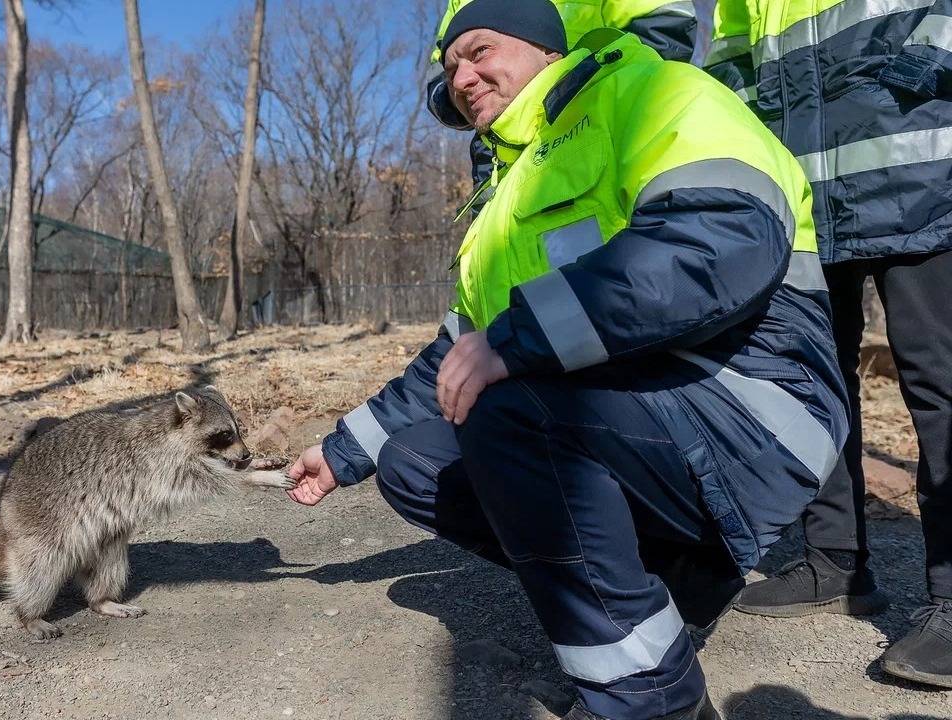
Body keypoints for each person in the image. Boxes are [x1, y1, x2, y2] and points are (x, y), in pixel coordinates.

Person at [284, 0, 849, 717]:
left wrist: (517, 340)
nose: (463, 75)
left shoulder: (653, 92)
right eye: (451, 64)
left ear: (546, 46)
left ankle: (650, 699)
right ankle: (683, 578)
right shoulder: (508, 196)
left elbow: (722, 241)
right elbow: (454, 359)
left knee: (510, 420)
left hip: (754, 405)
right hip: (648, 418)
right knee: (415, 463)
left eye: (480, 50)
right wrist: (340, 452)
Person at [704, 0, 952, 688]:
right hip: (807, 191)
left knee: (941, 378)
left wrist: (916, 71)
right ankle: (834, 561)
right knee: (814, 380)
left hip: (925, 167)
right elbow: (732, 58)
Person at [425, 0, 698, 220]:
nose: (461, 79)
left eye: (482, 50)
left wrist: (592, 93)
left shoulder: (669, 103)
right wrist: (490, 99)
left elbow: (665, 23)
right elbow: (442, 82)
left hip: (592, 123)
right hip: (498, 144)